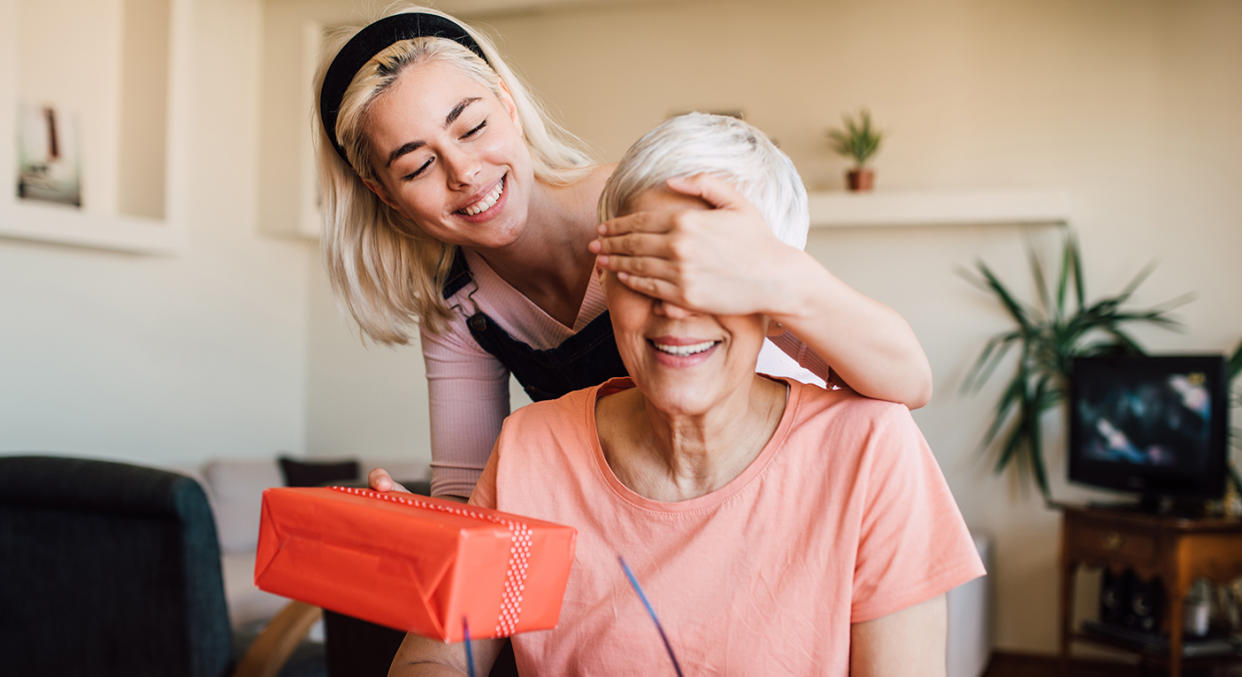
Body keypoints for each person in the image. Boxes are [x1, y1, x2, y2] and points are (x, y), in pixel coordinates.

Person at [387, 113, 984, 676]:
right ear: (606, 277)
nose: (675, 306)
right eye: (648, 269)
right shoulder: (530, 448)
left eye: (714, 277)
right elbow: (438, 658)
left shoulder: (870, 450)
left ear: (779, 304)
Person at [315, 5, 933, 500]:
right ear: (384, 194)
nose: (464, 172)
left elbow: (905, 380)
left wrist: (771, 271)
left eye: (472, 127)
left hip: (785, 484)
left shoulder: (651, 205)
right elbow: (474, 491)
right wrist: (425, 525)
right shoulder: (461, 307)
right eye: (419, 165)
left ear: (506, 103)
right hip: (647, 509)